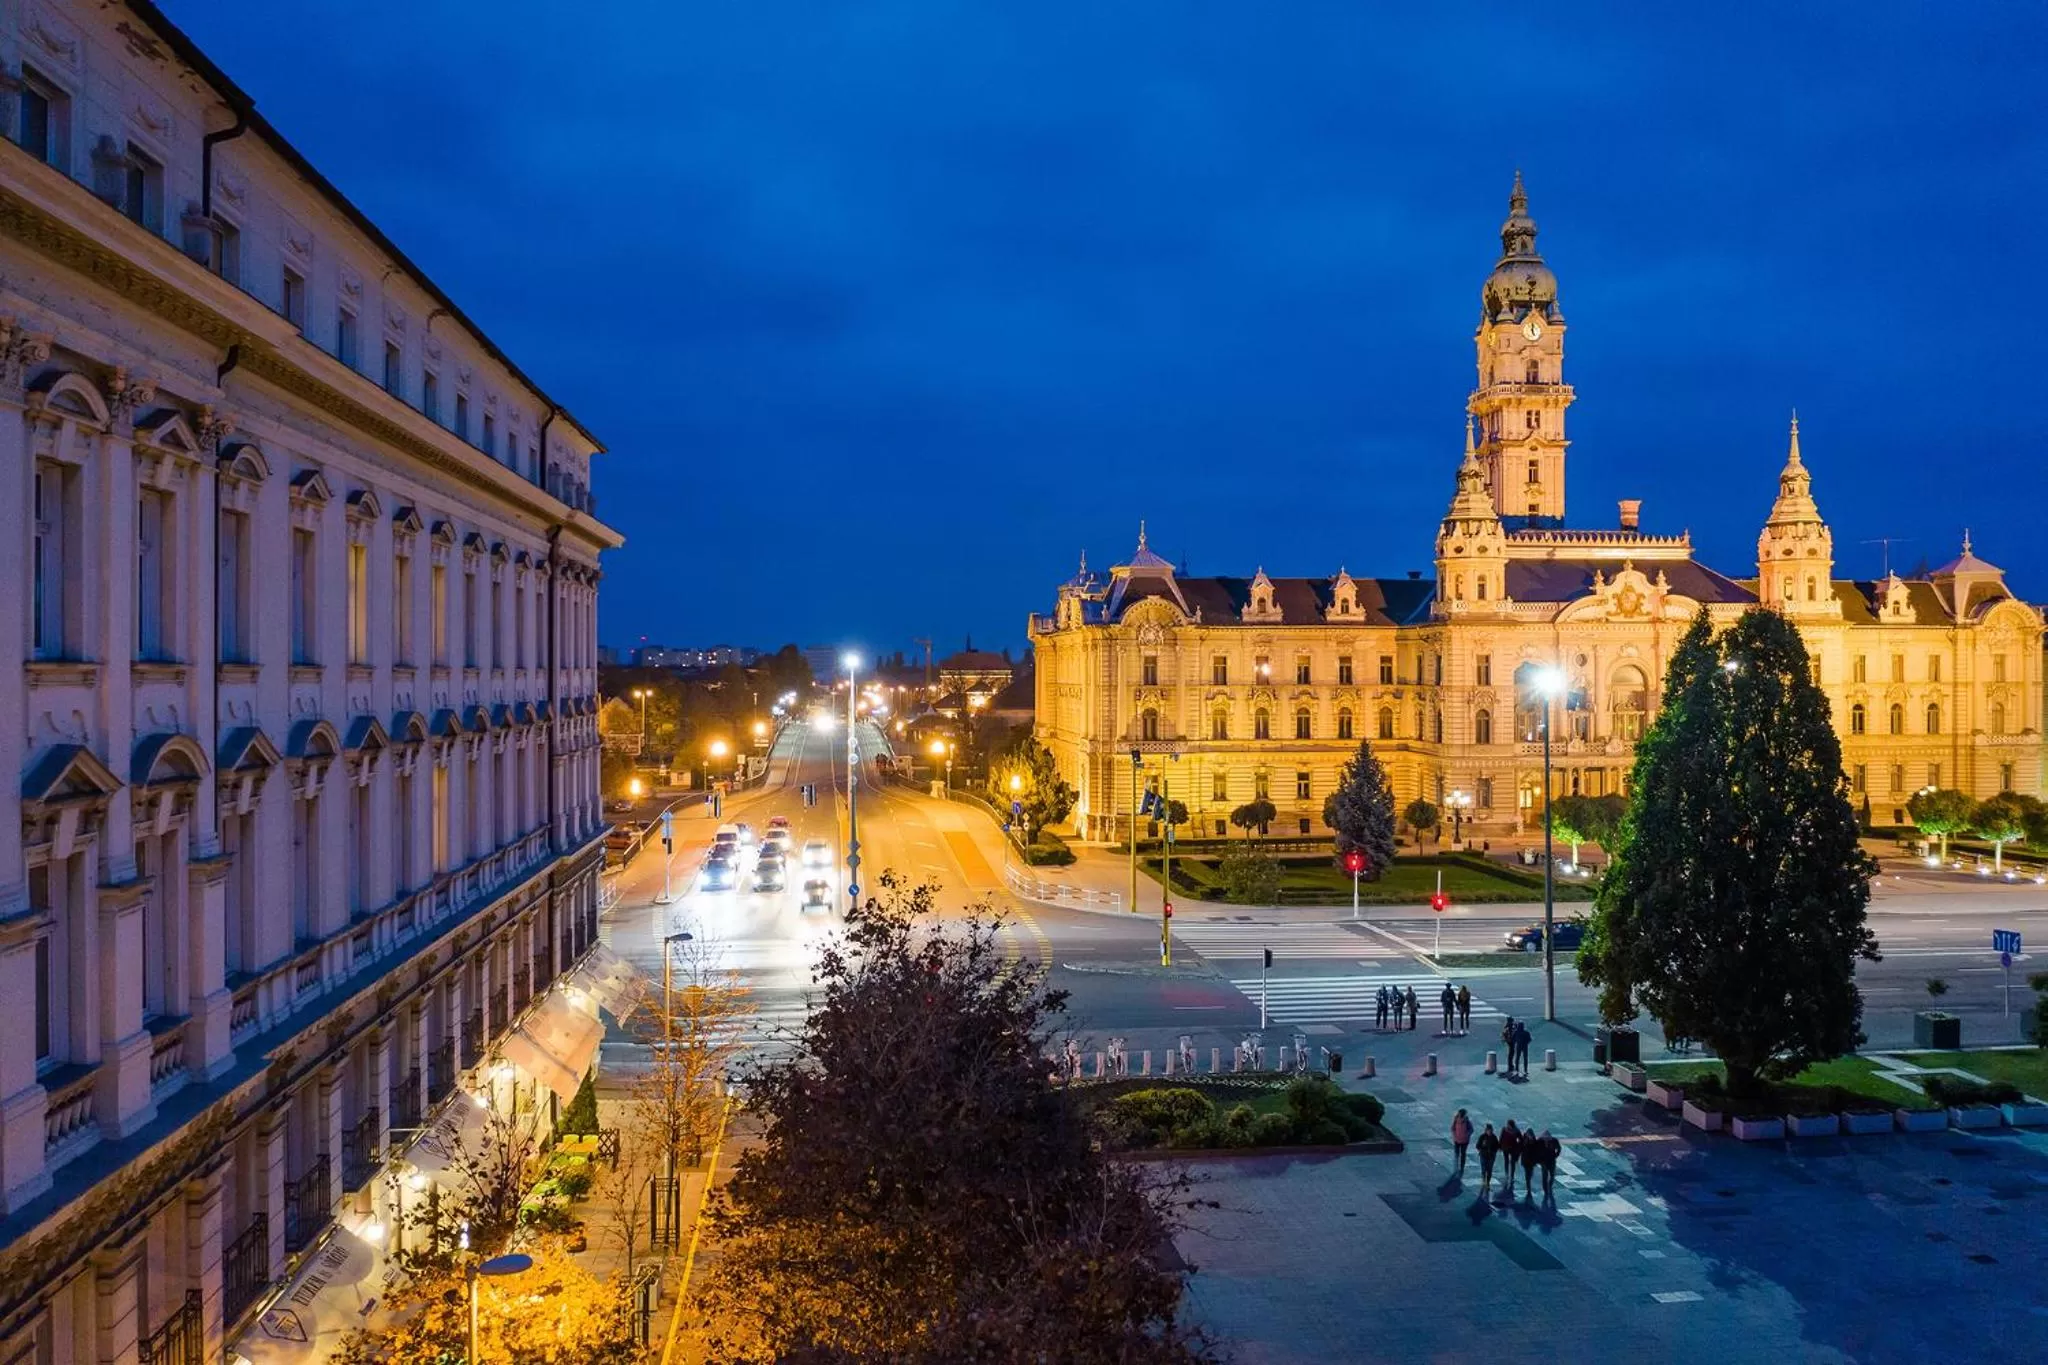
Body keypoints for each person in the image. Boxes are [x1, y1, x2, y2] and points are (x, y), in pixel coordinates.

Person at [1498, 1120, 1522, 1200]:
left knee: (1512, 1162)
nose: (1508, 1126)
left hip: (1512, 1148)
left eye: (1509, 1125)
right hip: (1505, 1147)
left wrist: (1518, 1146)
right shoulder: (1504, 1129)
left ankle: (1511, 1175)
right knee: (1506, 1161)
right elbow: (1501, 1138)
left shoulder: (1516, 1131)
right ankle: (1507, 1173)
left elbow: (1520, 1139)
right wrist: (1500, 1146)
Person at [1535, 1129, 1561, 1199]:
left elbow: (1559, 1148)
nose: (1546, 1140)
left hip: (1552, 1160)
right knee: (1545, 1176)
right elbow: (1535, 1151)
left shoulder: (1554, 1141)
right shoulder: (1539, 1142)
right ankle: (1545, 1190)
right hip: (1543, 1161)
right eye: (1545, 1138)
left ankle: (1549, 1186)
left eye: (1548, 1138)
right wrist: (1538, 1160)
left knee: (1552, 1175)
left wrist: (1556, 1155)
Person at [1476, 1122, 1500, 1195]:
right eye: (1489, 1130)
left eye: (1491, 1131)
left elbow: (1497, 1146)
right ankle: (1484, 1181)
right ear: (1486, 1130)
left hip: (1491, 1156)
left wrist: (1493, 1151)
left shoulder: (1494, 1137)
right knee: (1484, 1169)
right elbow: (1477, 1145)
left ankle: (1488, 1183)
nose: (1490, 1132)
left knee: (1489, 1170)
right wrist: (1482, 1149)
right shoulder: (1482, 1137)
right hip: (1483, 1155)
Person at [1450, 1108, 1473, 1176]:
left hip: (1464, 1141)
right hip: (1457, 1140)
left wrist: (1466, 1135)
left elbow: (1471, 1130)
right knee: (1457, 1154)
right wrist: (1455, 1135)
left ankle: (1461, 1167)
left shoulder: (1467, 1121)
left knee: (1463, 1154)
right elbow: (1452, 1128)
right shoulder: (1456, 1120)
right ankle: (1456, 1166)